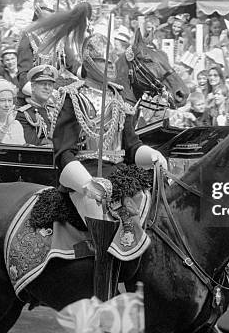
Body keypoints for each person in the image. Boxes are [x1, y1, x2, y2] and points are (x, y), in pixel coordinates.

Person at [53, 33, 167, 262]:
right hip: (87, 174)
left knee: (158, 209)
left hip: (120, 173)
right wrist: (84, 183)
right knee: (101, 226)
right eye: (104, 60)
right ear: (89, 62)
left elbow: (132, 146)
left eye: (111, 59)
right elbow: (63, 150)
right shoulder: (73, 96)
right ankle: (101, 281)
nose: (111, 65)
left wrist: (153, 156)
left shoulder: (119, 97)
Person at [16, 2, 91, 105]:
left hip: (55, 90)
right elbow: (23, 76)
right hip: (32, 96)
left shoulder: (59, 37)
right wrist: (48, 95)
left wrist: (90, 65)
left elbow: (73, 65)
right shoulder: (28, 36)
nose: (53, 13)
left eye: (54, 11)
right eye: (48, 9)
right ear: (38, 10)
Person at [16, 64, 57, 145]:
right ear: (33, 87)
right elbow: (32, 145)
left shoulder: (54, 112)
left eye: (50, 85)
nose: (47, 88)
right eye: (43, 84)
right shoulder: (23, 114)